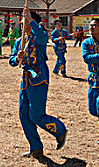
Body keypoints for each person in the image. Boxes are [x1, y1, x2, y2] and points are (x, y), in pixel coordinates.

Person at [9, 8, 67, 158]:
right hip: (26, 79)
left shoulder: (38, 36)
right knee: (24, 115)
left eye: (24, 21)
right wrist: (17, 58)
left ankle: (59, 130)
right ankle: (35, 147)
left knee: (36, 115)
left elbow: (42, 39)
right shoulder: (19, 41)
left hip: (39, 77)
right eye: (22, 21)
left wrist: (31, 20)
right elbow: (11, 59)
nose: (22, 24)